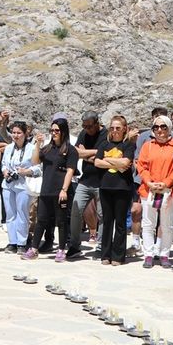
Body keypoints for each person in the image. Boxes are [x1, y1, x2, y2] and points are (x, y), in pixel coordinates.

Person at [22, 118, 79, 261]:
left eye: (57, 130)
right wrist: (38, 144)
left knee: (61, 221)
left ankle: (61, 249)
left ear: (63, 132)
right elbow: (35, 161)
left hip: (61, 191)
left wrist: (64, 190)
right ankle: (34, 249)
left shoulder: (70, 150)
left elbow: (70, 171)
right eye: (52, 130)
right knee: (41, 220)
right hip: (46, 190)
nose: (54, 133)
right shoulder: (47, 148)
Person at [136, 115, 173, 269]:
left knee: (167, 224)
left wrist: (166, 183)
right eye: (156, 127)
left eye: (163, 127)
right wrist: (149, 182)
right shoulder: (147, 146)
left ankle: (164, 254)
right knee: (148, 223)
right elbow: (142, 166)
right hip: (149, 190)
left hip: (168, 191)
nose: (159, 130)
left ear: (169, 128)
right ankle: (148, 254)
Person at [94, 116, 136, 266]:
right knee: (107, 222)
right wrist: (116, 164)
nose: (115, 131)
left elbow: (126, 162)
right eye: (112, 128)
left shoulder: (128, 145)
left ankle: (118, 256)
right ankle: (105, 254)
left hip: (122, 188)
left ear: (124, 129)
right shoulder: (104, 144)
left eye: (118, 128)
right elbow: (97, 162)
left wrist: (107, 159)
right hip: (105, 187)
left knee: (120, 222)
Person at [69, 111, 107, 259]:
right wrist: (95, 154)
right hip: (85, 180)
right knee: (75, 210)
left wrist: (87, 154)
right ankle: (74, 246)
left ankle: (101, 246)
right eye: (84, 126)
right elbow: (76, 153)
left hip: (102, 181)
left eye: (90, 126)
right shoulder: (83, 134)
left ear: (97, 123)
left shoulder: (106, 134)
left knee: (102, 215)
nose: (87, 129)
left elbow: (105, 155)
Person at [1, 122, 37, 254]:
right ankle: (12, 242)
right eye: (13, 133)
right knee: (10, 214)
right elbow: (4, 164)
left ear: (25, 134)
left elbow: (38, 168)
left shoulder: (32, 149)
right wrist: (5, 171)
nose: (15, 135)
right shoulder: (8, 148)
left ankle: (22, 242)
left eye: (19, 133)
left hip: (23, 185)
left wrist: (26, 171)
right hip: (8, 184)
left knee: (22, 214)